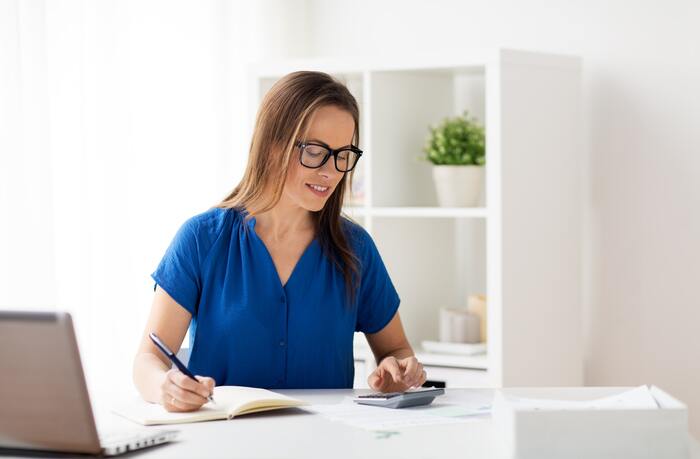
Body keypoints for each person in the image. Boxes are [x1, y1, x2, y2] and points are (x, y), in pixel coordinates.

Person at [133, 71, 427, 412]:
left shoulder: (356, 248)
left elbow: (397, 350)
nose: (331, 171)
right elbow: (147, 360)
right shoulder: (201, 239)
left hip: (325, 442)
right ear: (273, 146)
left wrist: (398, 371)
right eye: (316, 152)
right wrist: (164, 386)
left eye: (343, 154)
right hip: (223, 441)